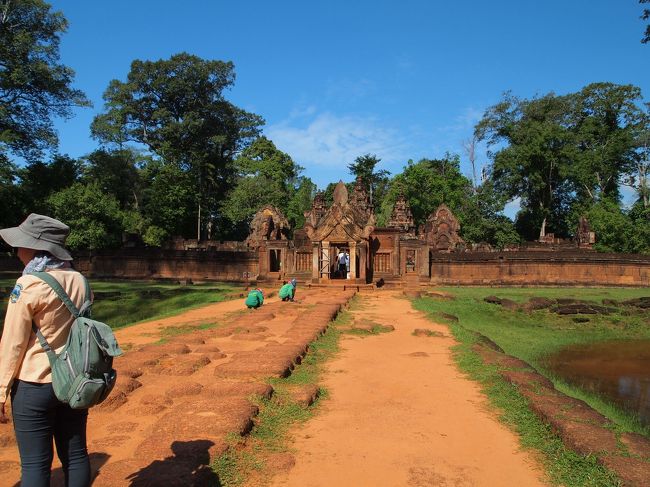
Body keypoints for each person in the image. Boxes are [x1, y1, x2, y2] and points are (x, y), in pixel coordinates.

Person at [0, 213, 91, 487]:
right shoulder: (80, 280)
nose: (16, 250)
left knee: (35, 464)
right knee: (76, 456)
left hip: (34, 384)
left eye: (21, 244)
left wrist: (1, 389)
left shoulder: (28, 284)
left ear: (38, 247)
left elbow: (12, 343)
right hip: (73, 381)